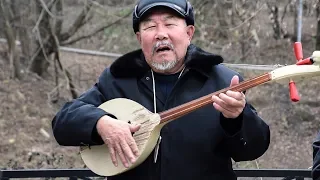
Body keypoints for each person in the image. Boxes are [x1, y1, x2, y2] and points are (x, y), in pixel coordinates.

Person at [51, 0, 270, 179]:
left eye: (170, 24)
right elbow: (63, 121)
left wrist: (238, 119)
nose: (160, 34)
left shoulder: (223, 80)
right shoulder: (119, 79)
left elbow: (251, 149)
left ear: (189, 32)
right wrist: (100, 122)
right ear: (139, 38)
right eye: (149, 26)